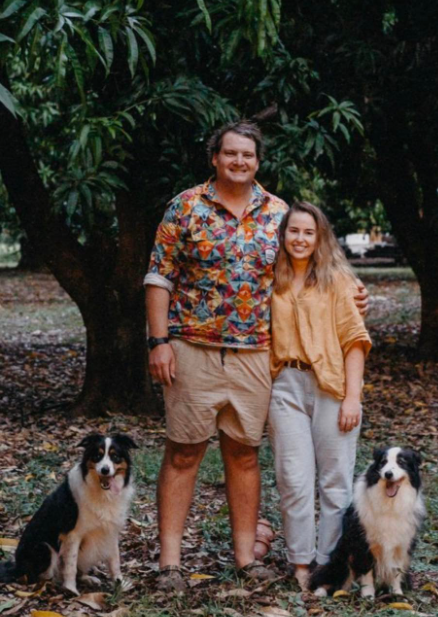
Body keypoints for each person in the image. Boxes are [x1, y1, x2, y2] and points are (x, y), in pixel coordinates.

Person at [145, 121, 369, 592]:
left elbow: (312, 268)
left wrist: (354, 295)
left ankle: (247, 558)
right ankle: (170, 564)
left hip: (255, 354)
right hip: (192, 347)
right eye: (231, 154)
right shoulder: (185, 207)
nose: (239, 162)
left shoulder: (278, 213)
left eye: (248, 155)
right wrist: (158, 340)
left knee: (244, 454)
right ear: (215, 157)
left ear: (258, 161)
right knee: (184, 452)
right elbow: (159, 277)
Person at [267, 201, 372, 591]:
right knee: (293, 478)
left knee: (335, 481)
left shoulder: (338, 279)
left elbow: (355, 341)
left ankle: (328, 565)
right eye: (293, 231)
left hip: (332, 385)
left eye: (308, 232)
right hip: (285, 386)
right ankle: (300, 562)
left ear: (320, 237)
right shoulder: (270, 280)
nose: (300, 239)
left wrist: (352, 397)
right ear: (283, 235)